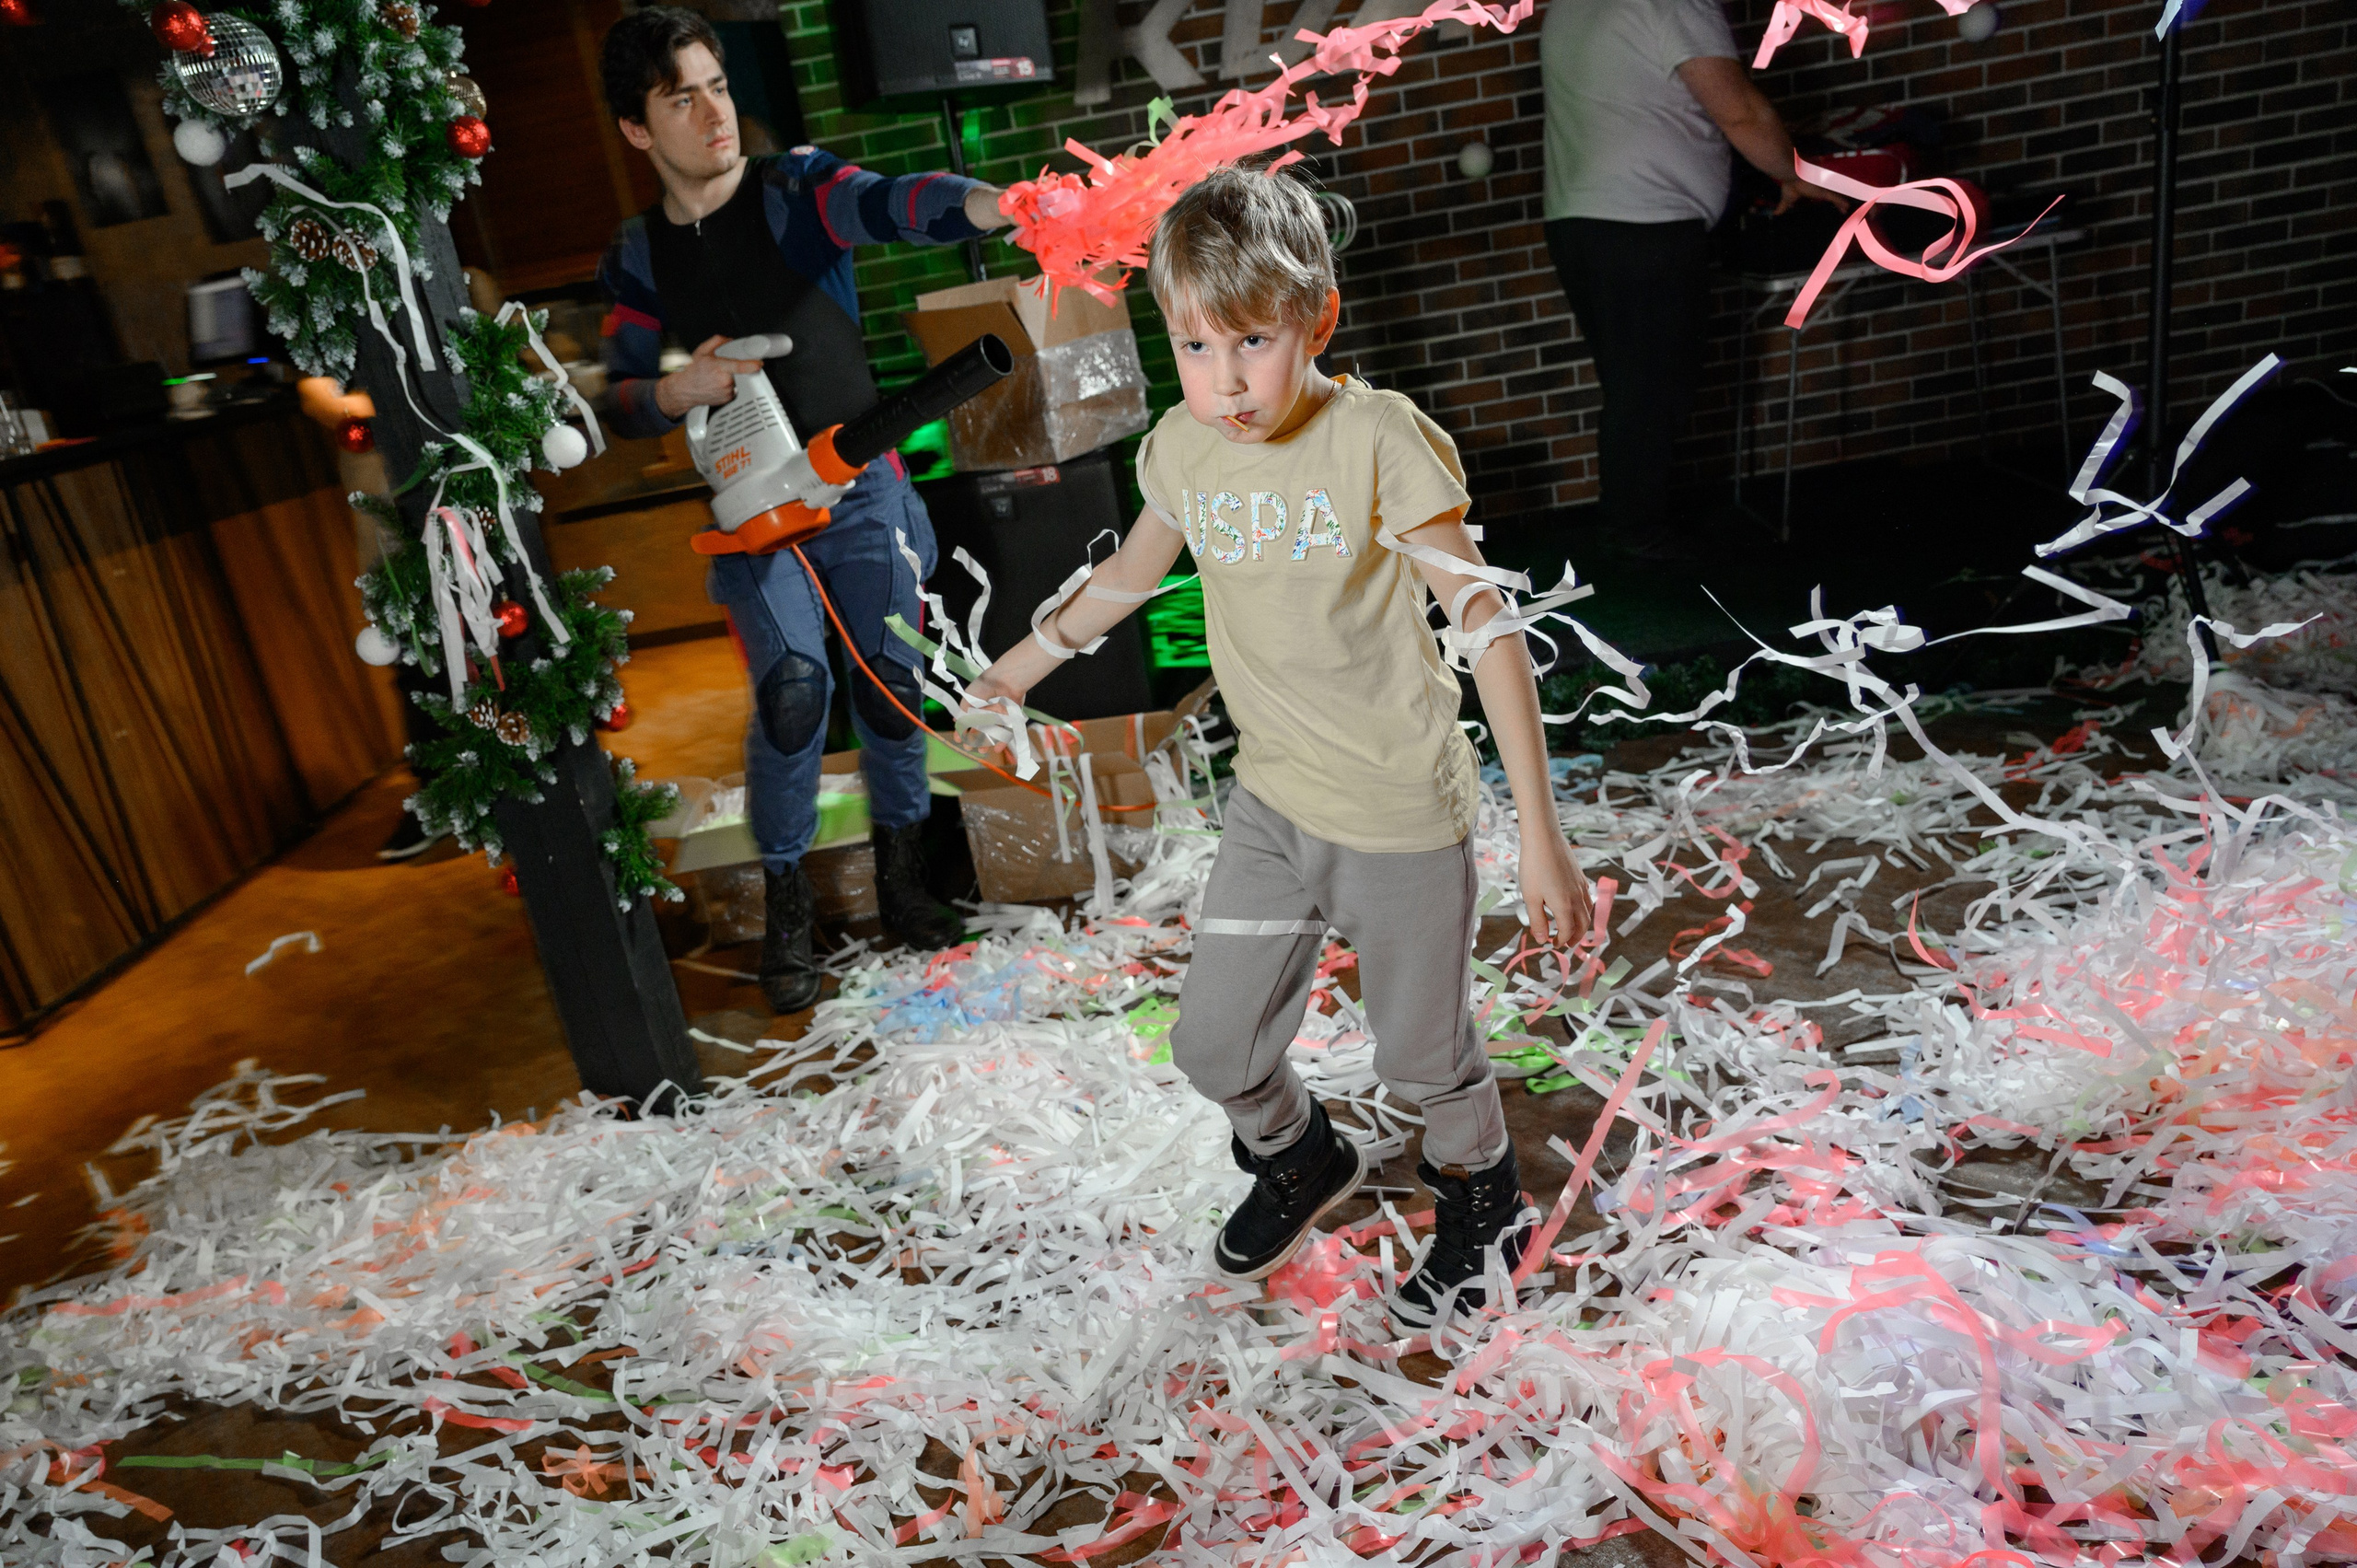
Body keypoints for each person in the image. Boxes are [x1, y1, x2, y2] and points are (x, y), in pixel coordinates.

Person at [967, 168, 1595, 1331]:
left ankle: (1487, 1198)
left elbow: (1487, 624)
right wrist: (1013, 670)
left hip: (1401, 810)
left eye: (1251, 340)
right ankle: (1301, 1157)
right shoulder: (1184, 450)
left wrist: (1541, 838)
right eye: (1195, 347)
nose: (1226, 380)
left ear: (1318, 318)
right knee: (1213, 1044)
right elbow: (1123, 580)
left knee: (1422, 1064)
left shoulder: (1376, 438)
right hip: (1272, 808)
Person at [597, 7, 1004, 1012]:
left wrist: (999, 204)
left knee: (891, 683)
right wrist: (671, 391)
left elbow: (900, 203)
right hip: (751, 514)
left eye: (717, 85)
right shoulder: (640, 252)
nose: (711, 112)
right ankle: (788, 905)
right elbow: (618, 392)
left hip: (861, 489)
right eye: (678, 97)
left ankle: (905, 879)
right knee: (790, 694)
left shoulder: (798, 191)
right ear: (638, 130)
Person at [1540, 0, 1840, 558]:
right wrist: (1793, 173)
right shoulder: (1671, 3)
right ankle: (1638, 535)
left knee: (1634, 385)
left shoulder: (1571, 7)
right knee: (1653, 389)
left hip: (1581, 221)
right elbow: (1739, 111)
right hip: (1643, 223)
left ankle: (1635, 525)